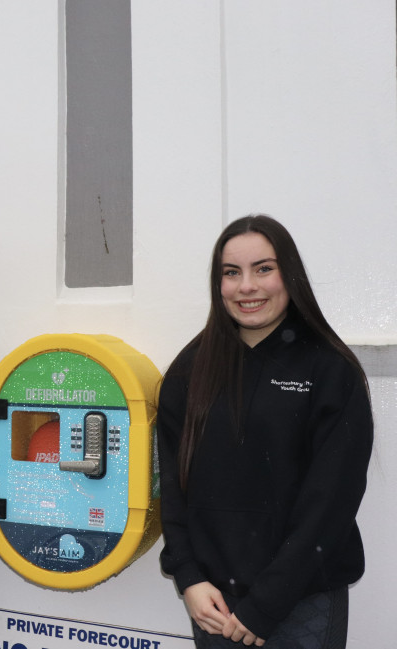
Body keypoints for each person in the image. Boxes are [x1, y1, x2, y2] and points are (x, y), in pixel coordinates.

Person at [157, 215, 373, 648]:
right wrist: (189, 576)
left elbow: (331, 502)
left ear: (288, 275)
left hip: (303, 599)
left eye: (263, 269)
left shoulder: (331, 369)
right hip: (214, 603)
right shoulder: (189, 369)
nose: (247, 287)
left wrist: (267, 603)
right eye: (231, 273)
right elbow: (172, 484)